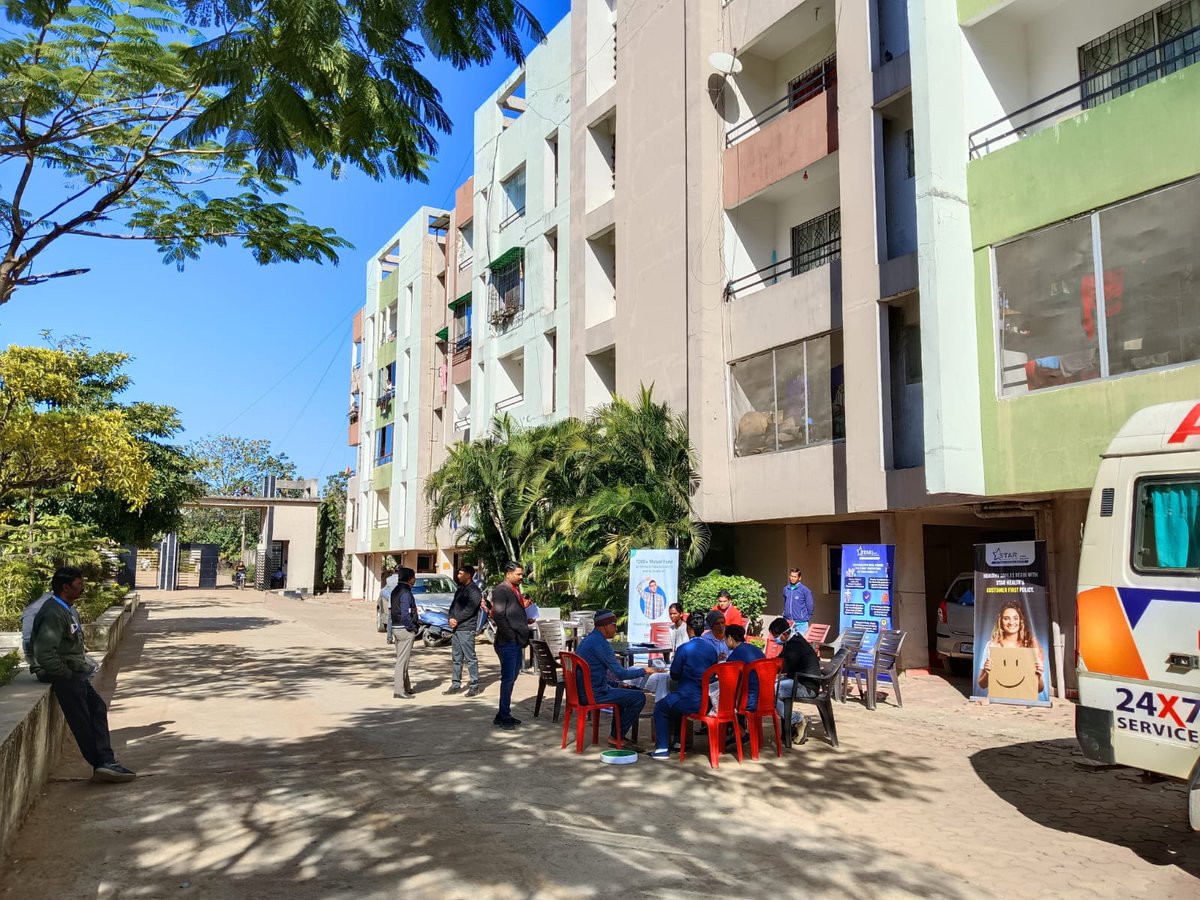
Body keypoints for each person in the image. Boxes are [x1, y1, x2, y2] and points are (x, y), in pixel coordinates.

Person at [30, 567, 136, 783]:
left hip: (73, 671)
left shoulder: (66, 608)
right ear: (65, 586)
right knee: (82, 719)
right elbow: (43, 654)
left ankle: (106, 761)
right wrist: (66, 674)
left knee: (97, 708)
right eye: (79, 585)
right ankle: (100, 763)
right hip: (62, 674)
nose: (83, 588)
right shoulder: (53, 612)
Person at [576, 610, 656, 749]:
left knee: (623, 691)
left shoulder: (587, 640)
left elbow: (595, 674)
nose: (616, 628)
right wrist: (644, 671)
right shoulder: (601, 644)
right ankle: (616, 736)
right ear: (605, 626)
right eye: (614, 625)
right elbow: (621, 673)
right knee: (638, 697)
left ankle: (617, 735)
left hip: (584, 690)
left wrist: (616, 684)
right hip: (594, 694)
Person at [650, 612, 721, 760]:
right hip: (706, 702)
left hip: (688, 698)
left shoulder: (684, 649)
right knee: (675, 705)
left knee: (661, 707)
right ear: (704, 629)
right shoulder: (711, 650)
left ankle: (662, 748)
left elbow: (674, 674)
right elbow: (713, 675)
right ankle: (678, 742)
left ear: (689, 628)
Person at [491, 562, 533, 729]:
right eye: (518, 574)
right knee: (508, 678)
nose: (521, 577)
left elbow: (511, 612)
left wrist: (525, 620)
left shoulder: (514, 589)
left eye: (522, 574)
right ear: (508, 574)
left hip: (515, 641)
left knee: (512, 677)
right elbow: (499, 616)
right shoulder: (502, 590)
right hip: (508, 642)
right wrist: (511, 636)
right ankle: (504, 715)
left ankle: (502, 713)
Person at [770, 618, 822, 743]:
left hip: (806, 687)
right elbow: (780, 660)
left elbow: (785, 667)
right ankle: (791, 726)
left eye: (776, 636)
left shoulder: (795, 645)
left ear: (785, 633)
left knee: (772, 692)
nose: (775, 639)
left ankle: (797, 719)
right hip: (798, 681)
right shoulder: (792, 641)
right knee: (774, 689)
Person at [978, 601, 1045, 695]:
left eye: (1015, 618)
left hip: (1022, 703)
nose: (1011, 622)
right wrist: (988, 672)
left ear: (1021, 620)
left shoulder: (1030, 646)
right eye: (1006, 618)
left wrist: (1038, 675)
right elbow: (982, 684)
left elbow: (1040, 689)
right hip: (997, 702)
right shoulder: (992, 646)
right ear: (1000, 621)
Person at [445, 564, 483, 697]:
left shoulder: (474, 591)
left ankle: (474, 685)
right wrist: (450, 617)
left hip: (466, 629)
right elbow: (453, 606)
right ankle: (455, 684)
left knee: (470, 658)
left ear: (468, 575)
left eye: (461, 573)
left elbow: (470, 609)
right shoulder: (460, 589)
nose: (458, 576)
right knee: (456, 658)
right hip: (456, 629)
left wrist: (457, 619)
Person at [391, 567, 418, 699]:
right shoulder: (405, 593)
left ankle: (406, 687)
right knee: (402, 661)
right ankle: (398, 690)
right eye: (414, 577)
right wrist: (412, 627)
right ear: (410, 578)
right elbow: (406, 614)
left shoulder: (395, 590)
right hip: (404, 629)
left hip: (396, 627)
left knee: (403, 658)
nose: (415, 579)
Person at [725, 623, 766, 711]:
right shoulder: (756, 650)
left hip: (746, 701)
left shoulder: (734, 657)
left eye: (725, 639)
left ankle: (732, 724)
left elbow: (728, 681)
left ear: (730, 638)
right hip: (764, 698)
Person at [782, 567, 814, 634]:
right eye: (791, 576)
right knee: (788, 643)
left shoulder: (805, 590)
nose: (792, 578)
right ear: (789, 576)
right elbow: (785, 602)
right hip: (788, 622)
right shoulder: (786, 589)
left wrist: (805, 617)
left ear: (799, 578)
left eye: (795, 577)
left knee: (800, 643)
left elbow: (810, 605)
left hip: (801, 624)